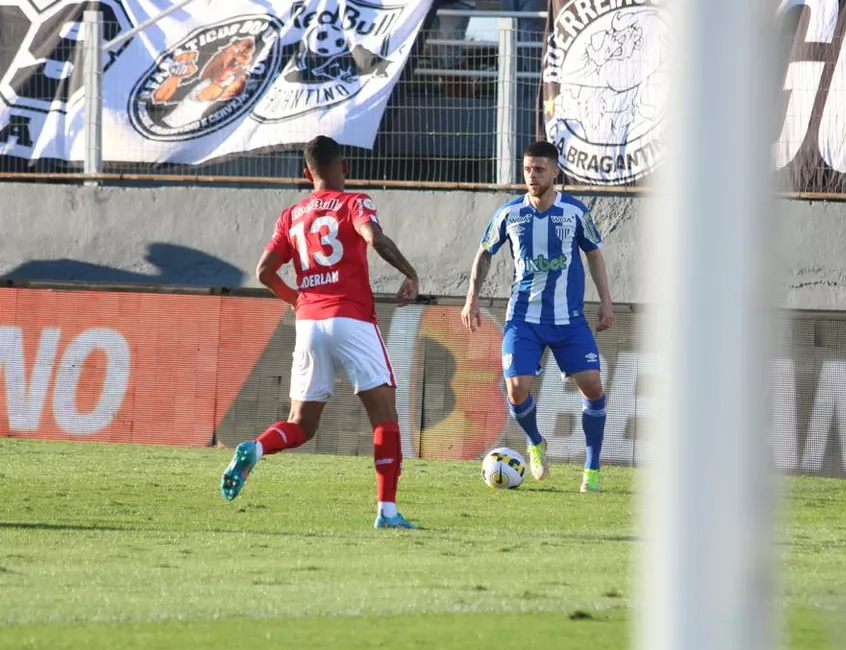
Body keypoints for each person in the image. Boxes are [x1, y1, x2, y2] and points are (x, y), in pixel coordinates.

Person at [221, 135, 421, 529]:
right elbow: (373, 237)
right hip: (352, 318)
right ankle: (387, 511)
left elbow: (264, 271)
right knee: (385, 419)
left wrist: (296, 300)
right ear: (344, 167)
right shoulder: (354, 202)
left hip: (309, 323)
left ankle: (256, 447)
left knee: (301, 424)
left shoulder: (292, 214)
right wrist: (410, 274)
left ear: (305, 173)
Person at [461, 140, 615, 493]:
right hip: (523, 318)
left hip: (569, 319)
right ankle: (535, 442)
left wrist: (606, 301)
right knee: (516, 389)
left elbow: (594, 254)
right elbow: (484, 252)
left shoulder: (574, 212)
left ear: (556, 171)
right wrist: (472, 296)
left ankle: (591, 470)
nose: (532, 175)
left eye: (540, 169)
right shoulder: (510, 213)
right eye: (528, 169)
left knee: (592, 386)